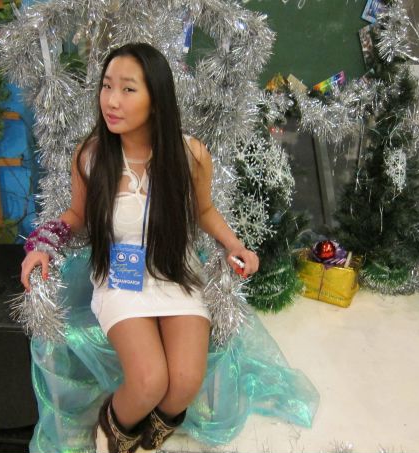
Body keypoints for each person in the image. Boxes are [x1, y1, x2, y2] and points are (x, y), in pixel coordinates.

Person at [20, 42, 259, 453]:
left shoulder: (190, 154)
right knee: (149, 381)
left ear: (156, 97)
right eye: (107, 86)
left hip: (175, 270)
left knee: (184, 382)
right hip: (120, 276)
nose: (112, 101)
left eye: (128, 89)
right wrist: (44, 243)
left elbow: (203, 209)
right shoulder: (92, 156)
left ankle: (152, 433)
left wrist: (235, 244)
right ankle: (116, 428)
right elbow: (76, 214)